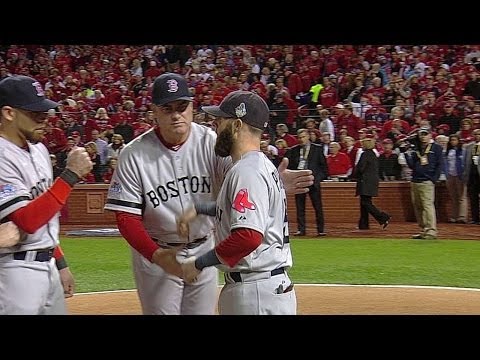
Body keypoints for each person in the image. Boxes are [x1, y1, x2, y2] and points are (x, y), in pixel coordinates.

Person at [104, 73, 313, 315]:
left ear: (192, 107)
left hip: (222, 262)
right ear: (155, 111)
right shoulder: (134, 153)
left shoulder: (215, 145)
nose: (176, 114)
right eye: (167, 108)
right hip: (162, 252)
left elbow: (248, 230)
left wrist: (269, 186)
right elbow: (126, 217)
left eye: (182, 106)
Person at [178, 90, 296, 315]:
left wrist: (199, 262)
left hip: (255, 292)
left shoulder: (246, 172)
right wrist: (199, 208)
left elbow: (248, 236)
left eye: (220, 121)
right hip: (263, 288)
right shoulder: (259, 166)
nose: (216, 126)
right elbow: (237, 209)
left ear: (236, 125)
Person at [0, 75, 92, 314]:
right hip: (14, 270)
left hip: (48, 264)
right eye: (34, 113)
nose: (44, 118)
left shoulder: (39, 149)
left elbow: (47, 217)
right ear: (9, 113)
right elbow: (27, 220)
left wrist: (60, 262)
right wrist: (70, 175)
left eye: (45, 111)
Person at [401, 126, 443, 239]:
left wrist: (434, 178)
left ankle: (431, 231)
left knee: (428, 205)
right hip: (415, 180)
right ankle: (424, 229)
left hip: (427, 181)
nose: (423, 137)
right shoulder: (417, 149)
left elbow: (440, 164)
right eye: (421, 134)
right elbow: (411, 165)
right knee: (418, 206)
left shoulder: (436, 148)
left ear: (430, 135)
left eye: (425, 134)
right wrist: (405, 153)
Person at [284, 128, 328, 236]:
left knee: (317, 206)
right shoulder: (293, 150)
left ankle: (321, 230)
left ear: (308, 137)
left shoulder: (317, 149)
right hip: (299, 181)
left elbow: (324, 168)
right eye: (299, 137)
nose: (301, 139)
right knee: (300, 207)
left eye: (303, 137)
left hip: (312, 181)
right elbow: (289, 167)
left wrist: (317, 179)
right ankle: (301, 230)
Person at [354, 135, 391, 230]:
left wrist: (355, 172)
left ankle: (383, 217)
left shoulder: (365, 154)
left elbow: (361, 168)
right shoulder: (373, 154)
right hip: (371, 182)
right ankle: (363, 224)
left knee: (366, 203)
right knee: (364, 203)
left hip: (365, 182)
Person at [464, 128, 480, 225]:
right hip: (471, 176)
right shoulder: (469, 146)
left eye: (479, 134)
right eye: (475, 134)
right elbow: (465, 162)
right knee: (473, 198)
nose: (477, 135)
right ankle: (475, 218)